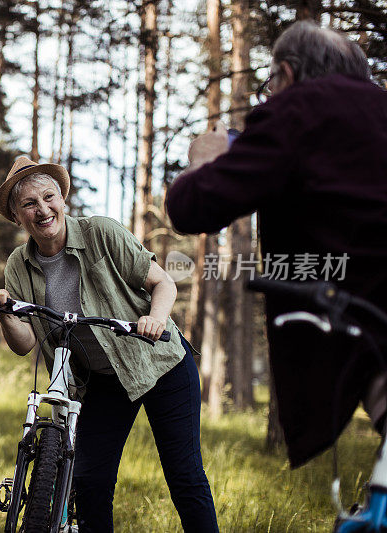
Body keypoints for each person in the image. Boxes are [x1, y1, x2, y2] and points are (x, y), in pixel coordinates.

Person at [165, 21, 387, 468]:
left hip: (370, 320)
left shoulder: (295, 110)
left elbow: (191, 208)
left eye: (271, 83)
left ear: (286, 73)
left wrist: (205, 161)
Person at [0, 156, 219, 533]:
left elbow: (163, 283)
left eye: (48, 197)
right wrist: (6, 312)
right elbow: (25, 344)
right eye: (29, 204)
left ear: (62, 199)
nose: (42, 209)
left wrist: (155, 318)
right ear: (17, 216)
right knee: (90, 482)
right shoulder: (18, 266)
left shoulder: (101, 233)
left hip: (161, 365)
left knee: (184, 476)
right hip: (106, 381)